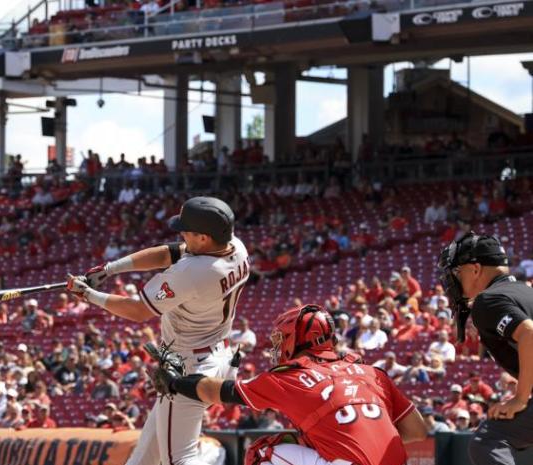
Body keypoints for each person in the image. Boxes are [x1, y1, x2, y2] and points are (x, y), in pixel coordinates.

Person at [67, 196, 248, 465]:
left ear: (204, 238)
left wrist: (89, 295)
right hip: (215, 354)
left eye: (187, 231)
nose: (182, 235)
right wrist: (110, 269)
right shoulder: (235, 246)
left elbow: (139, 311)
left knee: (179, 461)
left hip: (190, 368)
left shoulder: (194, 271)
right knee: (145, 458)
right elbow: (169, 252)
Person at [160, 304, 428, 465]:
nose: (277, 347)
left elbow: (215, 391)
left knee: (262, 451)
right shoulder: (372, 372)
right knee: (306, 441)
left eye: (281, 339)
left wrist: (175, 382)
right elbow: (418, 431)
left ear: (296, 340)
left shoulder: (291, 377)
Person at [436, 233, 533, 464]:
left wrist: (520, 398)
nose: (454, 279)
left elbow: (529, 333)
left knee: (489, 439)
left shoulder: (488, 300)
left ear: (476, 269)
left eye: (458, 271)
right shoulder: (526, 291)